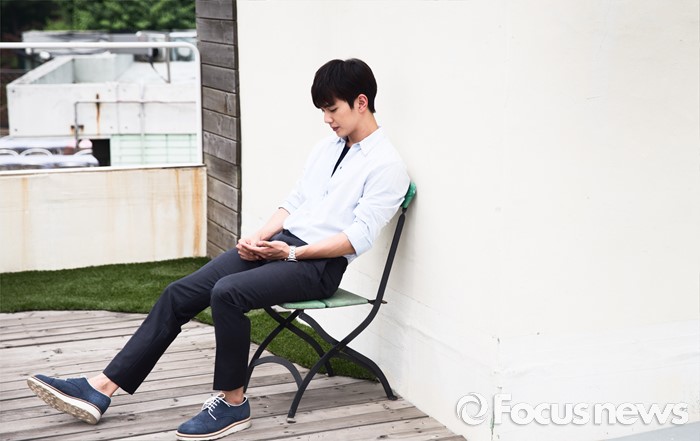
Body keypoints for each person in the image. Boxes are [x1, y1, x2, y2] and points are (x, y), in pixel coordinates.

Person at [26, 58, 410, 441]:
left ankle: (233, 404)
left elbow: (357, 238)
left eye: (332, 109)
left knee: (227, 293)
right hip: (281, 246)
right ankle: (101, 388)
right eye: (323, 111)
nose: (327, 119)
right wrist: (258, 239)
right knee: (180, 292)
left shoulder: (387, 166)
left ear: (361, 102)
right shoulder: (326, 148)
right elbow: (294, 203)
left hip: (317, 265)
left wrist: (290, 254)